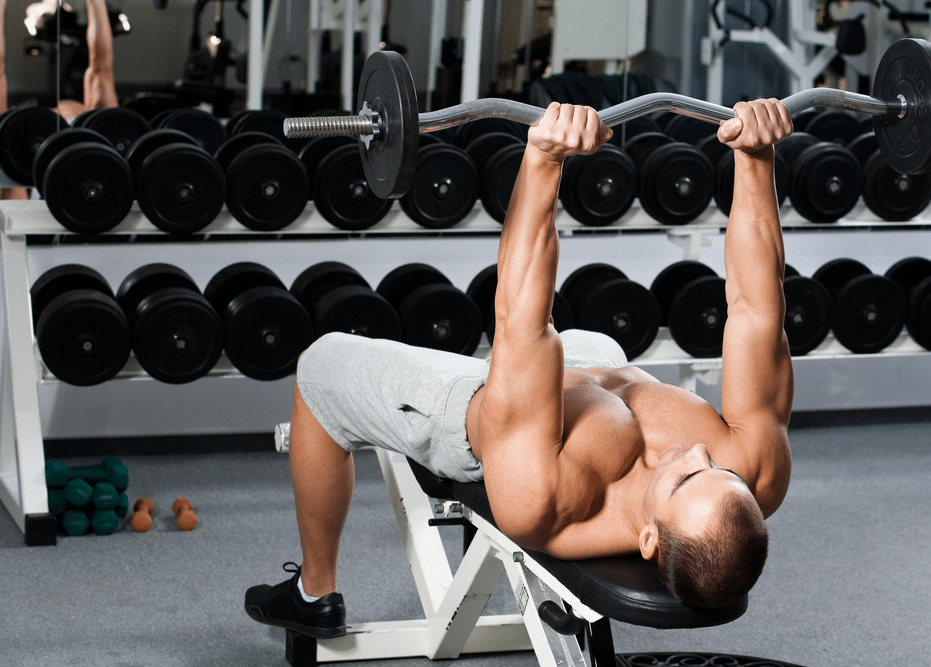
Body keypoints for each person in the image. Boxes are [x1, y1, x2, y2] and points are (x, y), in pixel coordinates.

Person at [246, 98, 794, 638]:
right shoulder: (754, 471)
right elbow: (756, 310)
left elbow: (522, 322)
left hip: (484, 411)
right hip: (582, 375)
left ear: (649, 540)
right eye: (723, 474)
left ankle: (314, 593)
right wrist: (756, 158)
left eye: (690, 476)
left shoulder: (550, 497)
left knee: (318, 365)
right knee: (591, 339)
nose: (700, 453)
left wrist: (543, 161)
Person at [1, 0, 118, 199]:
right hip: (73, 175)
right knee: (100, 81)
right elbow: (101, 68)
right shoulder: (84, 126)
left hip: (42, 179)